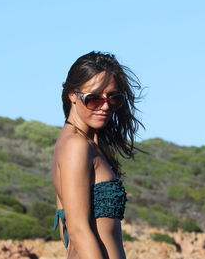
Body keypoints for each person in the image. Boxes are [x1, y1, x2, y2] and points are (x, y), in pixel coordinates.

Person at [52, 51, 143, 259]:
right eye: (93, 99)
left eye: (113, 98)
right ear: (72, 95)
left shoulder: (83, 144)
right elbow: (75, 230)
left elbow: (63, 223)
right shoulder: (76, 146)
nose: (105, 106)